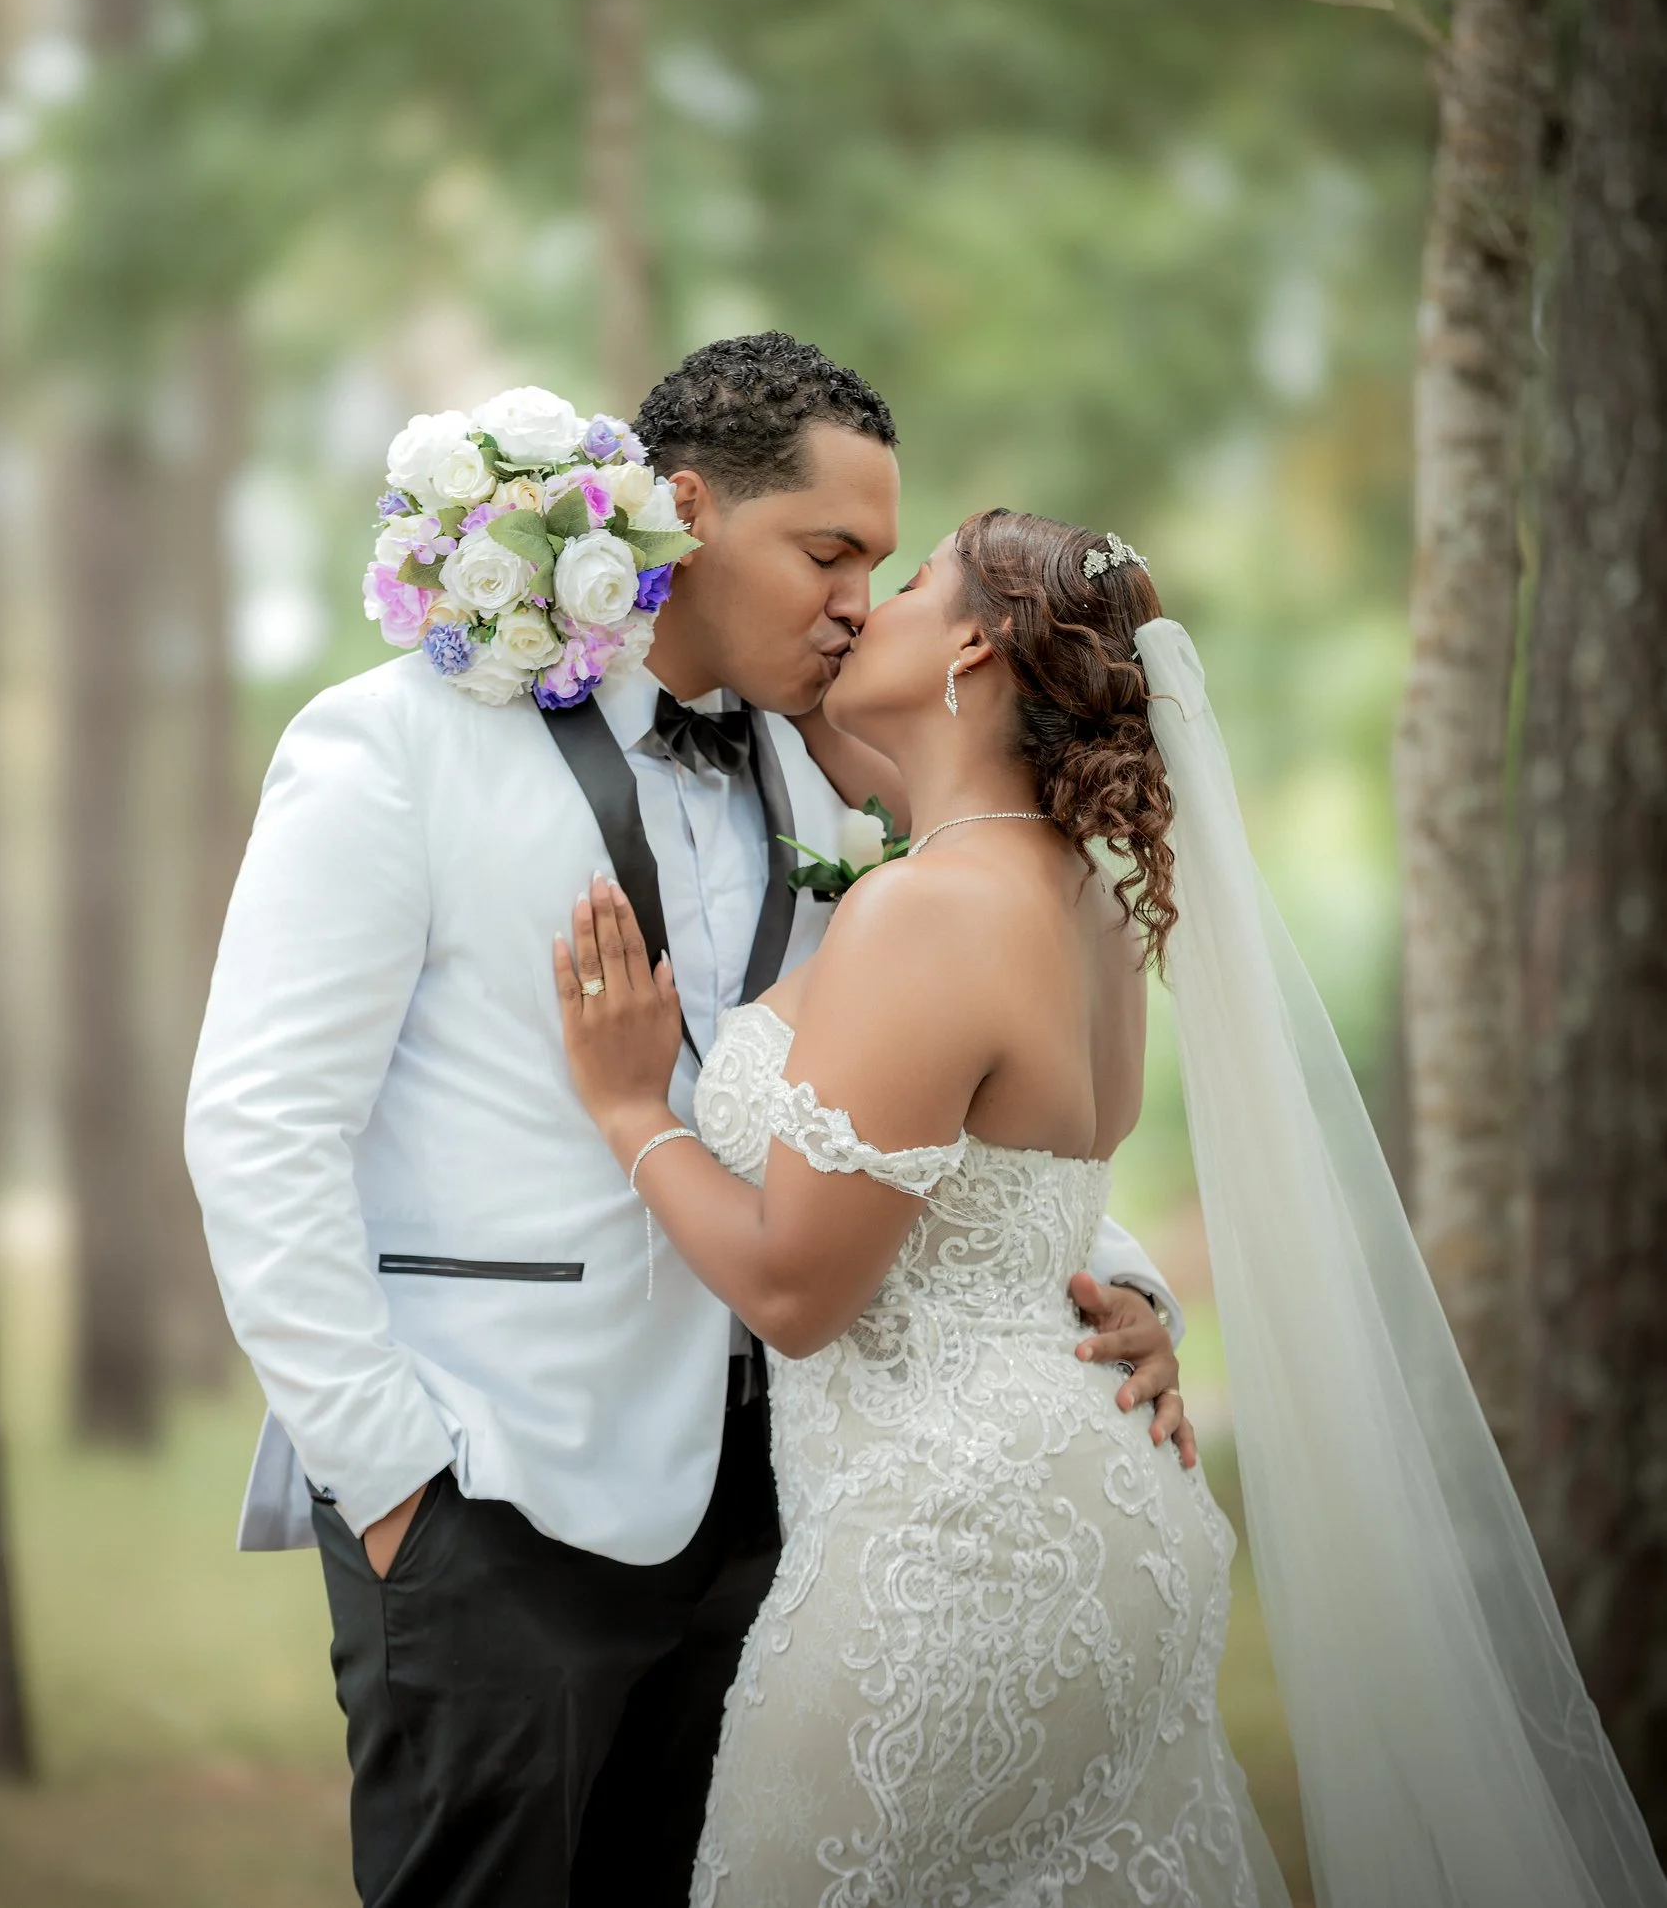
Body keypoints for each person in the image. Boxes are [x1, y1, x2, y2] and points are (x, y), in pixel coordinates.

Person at [184, 339, 1189, 1907]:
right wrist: (391, 1488)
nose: (857, 601)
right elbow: (259, 1127)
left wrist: (1114, 1281)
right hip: (502, 1496)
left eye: (880, 566)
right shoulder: (391, 744)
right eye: (827, 552)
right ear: (692, 509)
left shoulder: (839, 778)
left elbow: (913, 1101)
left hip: (782, 1524)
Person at [556, 511, 1667, 1908]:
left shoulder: (927, 910)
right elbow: (1023, 1205)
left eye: (903, 581)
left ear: (973, 644)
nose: (858, 608)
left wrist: (632, 1110)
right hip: (1118, 1519)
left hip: (948, 1548)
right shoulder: (1086, 901)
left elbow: (795, 1291)